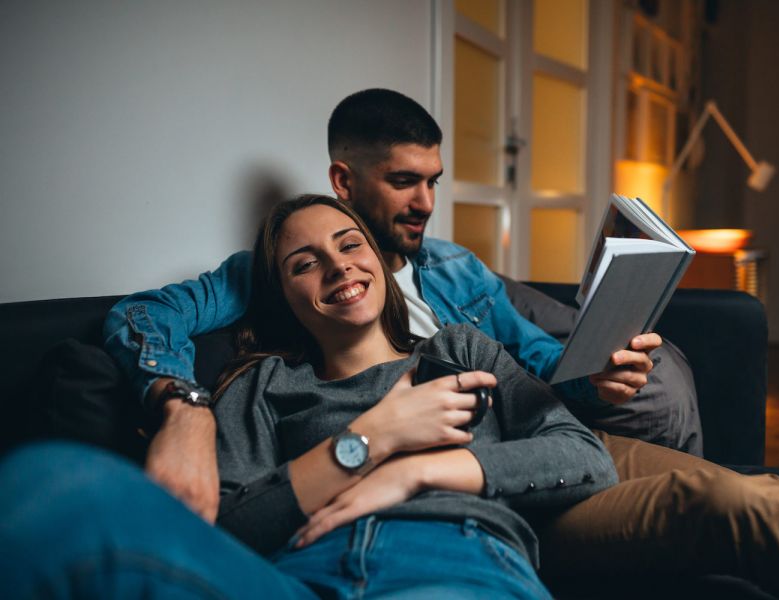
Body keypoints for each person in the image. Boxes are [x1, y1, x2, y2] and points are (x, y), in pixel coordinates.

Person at [102, 88, 700, 522]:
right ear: (344, 180)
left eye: (433, 181)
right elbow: (143, 315)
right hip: (411, 483)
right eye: (402, 182)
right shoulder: (270, 276)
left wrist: (594, 378)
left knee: (664, 373)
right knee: (704, 493)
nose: (424, 202)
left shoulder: (454, 270)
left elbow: (541, 366)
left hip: (510, 442)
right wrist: (183, 409)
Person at [1, 195, 618, 598]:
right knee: (46, 481)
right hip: (293, 577)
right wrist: (369, 442)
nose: (338, 267)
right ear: (284, 297)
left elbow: (585, 456)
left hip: (450, 563)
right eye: (305, 263)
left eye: (350, 245)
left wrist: (414, 473)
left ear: (378, 258)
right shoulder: (260, 385)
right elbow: (232, 527)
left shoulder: (459, 350)